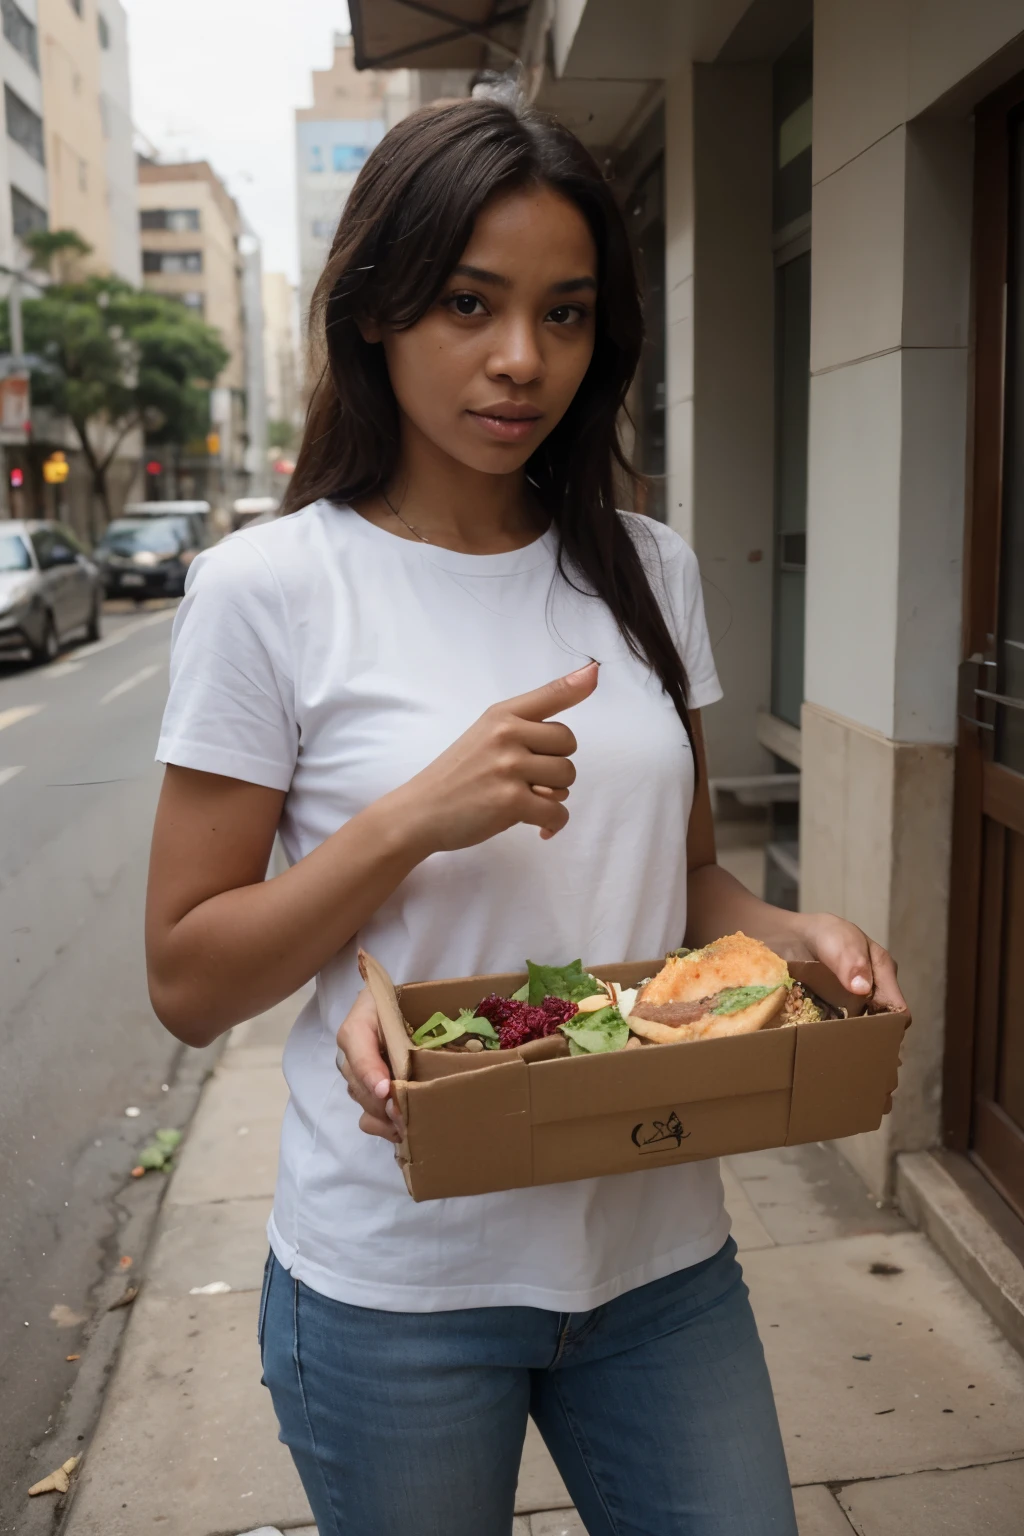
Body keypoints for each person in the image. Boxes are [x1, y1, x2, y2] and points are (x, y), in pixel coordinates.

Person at [146, 85, 905, 1536]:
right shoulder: (271, 589)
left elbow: (687, 889)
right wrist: (410, 819)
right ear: (377, 309)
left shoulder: (648, 570)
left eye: (565, 314)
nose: (519, 360)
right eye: (468, 303)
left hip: (657, 1253)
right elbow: (187, 978)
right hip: (398, 1284)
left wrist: (797, 938)